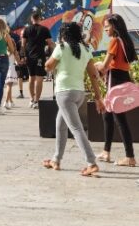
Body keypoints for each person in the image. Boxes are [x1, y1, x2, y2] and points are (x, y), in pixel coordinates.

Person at [43, 22, 106, 176]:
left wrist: (52, 57)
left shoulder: (61, 48)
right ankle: (56, 160)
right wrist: (98, 97)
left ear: (64, 34)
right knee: (61, 125)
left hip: (64, 93)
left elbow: (48, 66)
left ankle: (91, 162)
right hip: (79, 93)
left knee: (76, 129)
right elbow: (93, 75)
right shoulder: (86, 49)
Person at [95, 14, 137, 167]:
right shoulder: (126, 40)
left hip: (115, 80)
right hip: (123, 78)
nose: (105, 28)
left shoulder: (114, 41)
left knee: (120, 120)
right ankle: (106, 152)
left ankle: (130, 157)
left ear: (114, 26)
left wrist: (94, 65)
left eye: (107, 25)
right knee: (108, 115)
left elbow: (105, 66)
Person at [22, 12, 55, 109]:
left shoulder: (26, 30)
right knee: (39, 79)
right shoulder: (45, 29)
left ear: (32, 19)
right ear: (40, 19)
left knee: (31, 78)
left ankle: (32, 99)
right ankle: (36, 100)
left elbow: (23, 44)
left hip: (29, 57)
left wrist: (23, 56)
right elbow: (50, 43)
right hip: (40, 57)